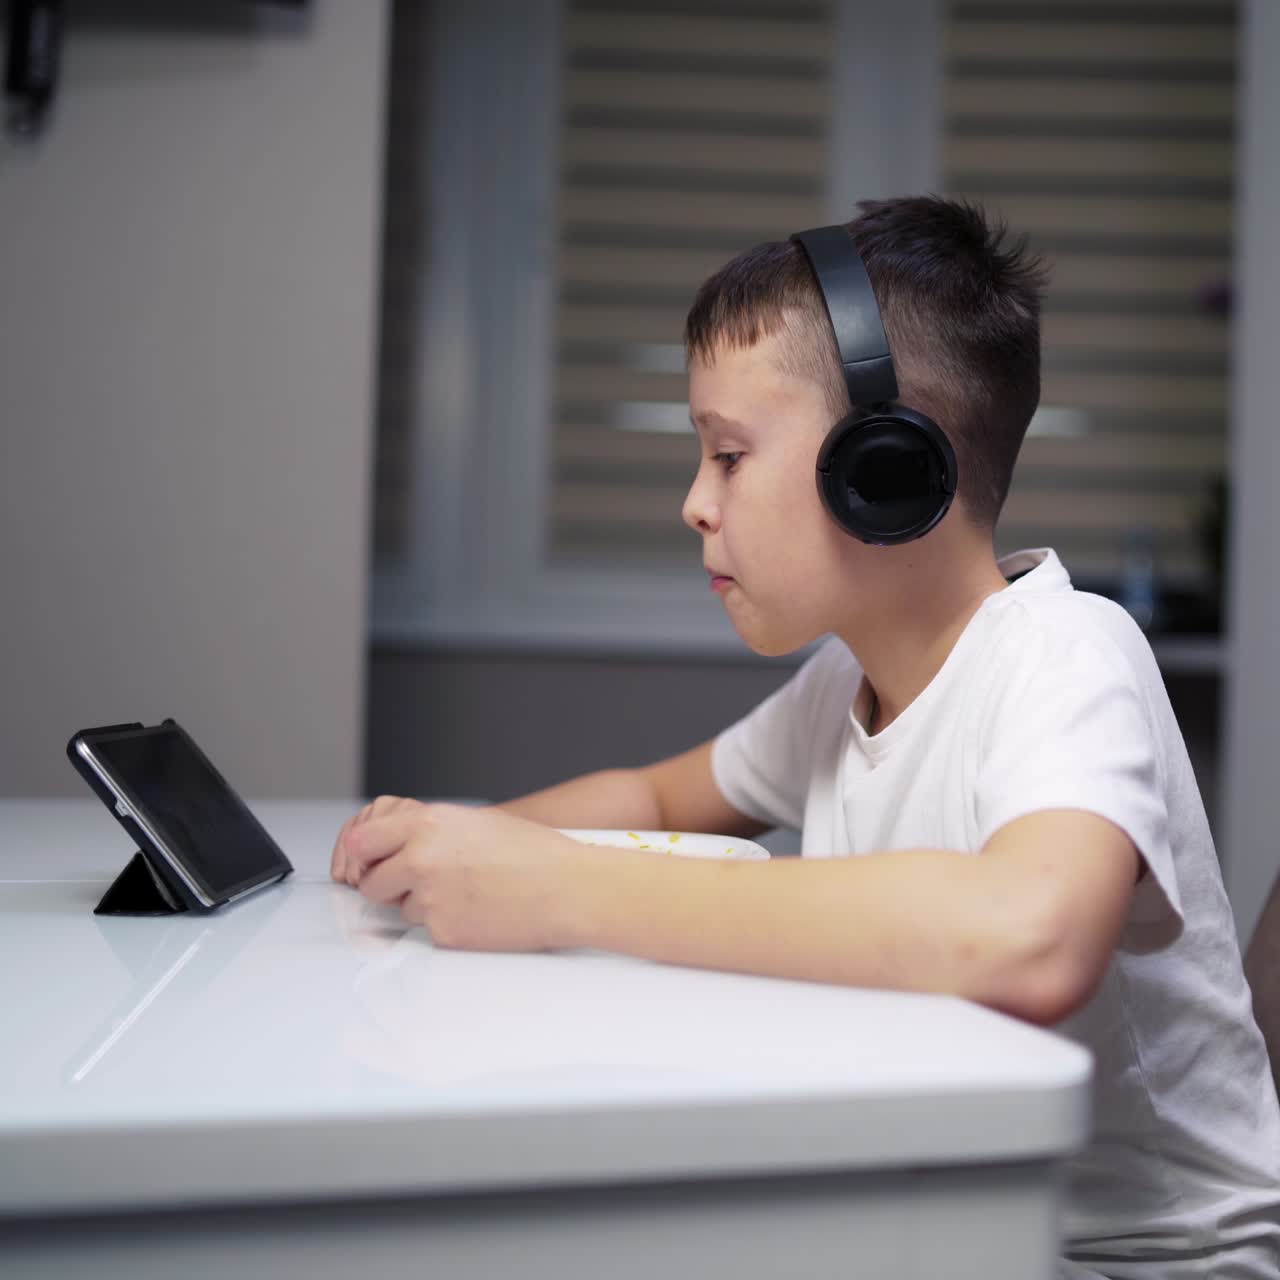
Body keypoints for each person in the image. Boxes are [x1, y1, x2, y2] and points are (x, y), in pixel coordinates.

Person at [331, 196, 1280, 1276]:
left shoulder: (1064, 654)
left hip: (1134, 1259)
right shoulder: (846, 679)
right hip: (949, 1212)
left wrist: (558, 887)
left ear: (886, 465)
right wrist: (452, 844)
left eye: (727, 455)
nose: (695, 502)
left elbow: (1027, 932)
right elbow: (652, 801)